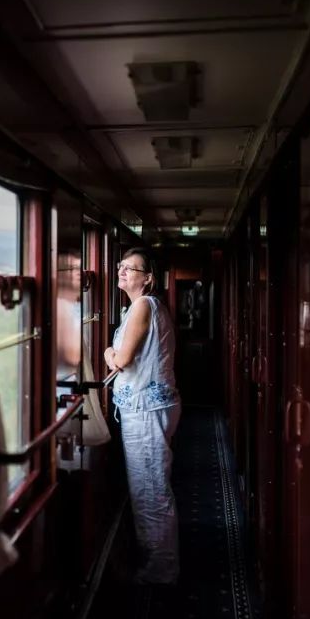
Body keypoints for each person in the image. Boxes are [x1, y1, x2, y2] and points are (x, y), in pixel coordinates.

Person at [104, 247, 181, 584]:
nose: (122, 271)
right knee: (149, 486)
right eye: (120, 266)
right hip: (148, 408)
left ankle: (162, 568)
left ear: (147, 277)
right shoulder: (138, 307)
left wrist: (108, 352)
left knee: (150, 490)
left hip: (146, 412)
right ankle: (158, 560)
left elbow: (121, 360)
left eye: (130, 268)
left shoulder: (142, 307)